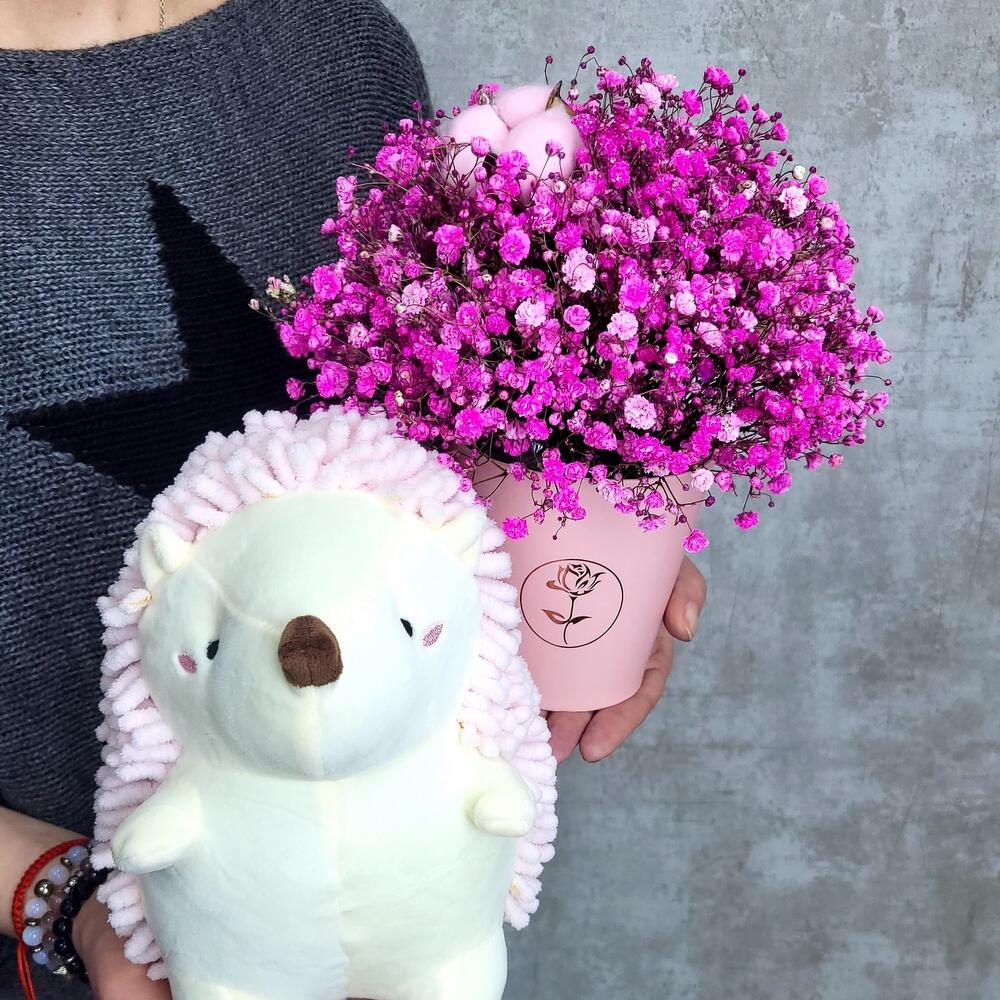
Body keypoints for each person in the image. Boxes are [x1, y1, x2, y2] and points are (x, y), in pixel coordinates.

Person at [0, 2, 707, 996]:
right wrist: (63, 893)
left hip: (404, 912)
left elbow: (430, 438)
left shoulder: (339, 49)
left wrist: (586, 566)